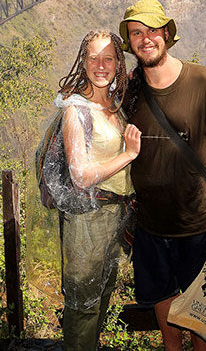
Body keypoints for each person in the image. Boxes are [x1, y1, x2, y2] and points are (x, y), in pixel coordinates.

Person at [120, 0, 206, 351]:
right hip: (149, 228)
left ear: (166, 34)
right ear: (130, 43)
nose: (145, 39)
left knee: (201, 322)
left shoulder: (204, 81)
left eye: (152, 31)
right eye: (136, 33)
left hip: (199, 227)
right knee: (167, 318)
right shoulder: (129, 92)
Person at [52, 30, 142, 351]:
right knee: (82, 308)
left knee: (102, 298)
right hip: (85, 222)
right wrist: (128, 155)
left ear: (119, 63)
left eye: (108, 58)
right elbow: (80, 175)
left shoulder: (115, 109)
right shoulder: (76, 110)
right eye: (93, 57)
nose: (100, 65)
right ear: (83, 61)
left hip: (114, 221)